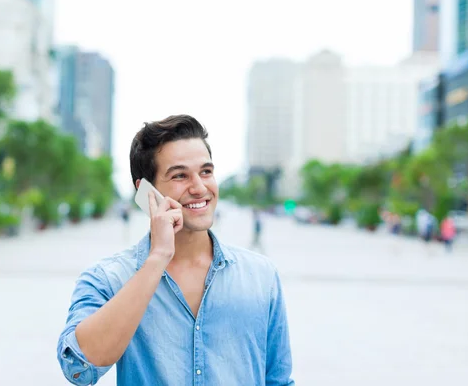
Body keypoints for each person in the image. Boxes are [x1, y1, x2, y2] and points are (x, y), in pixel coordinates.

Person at [57, 115, 294, 385]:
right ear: (147, 192)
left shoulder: (261, 276)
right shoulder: (108, 279)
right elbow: (78, 367)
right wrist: (157, 259)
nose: (199, 187)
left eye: (206, 172)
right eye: (180, 175)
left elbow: (279, 380)